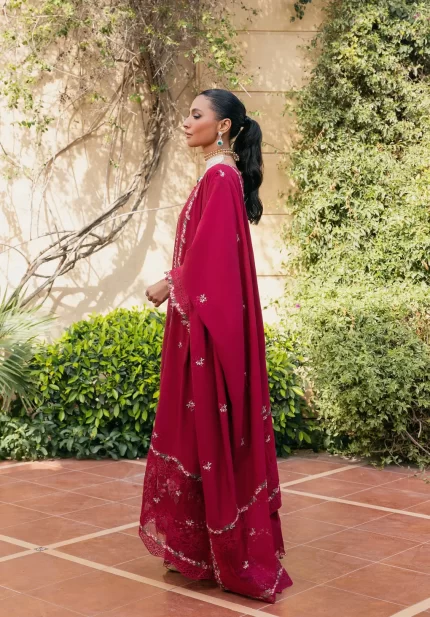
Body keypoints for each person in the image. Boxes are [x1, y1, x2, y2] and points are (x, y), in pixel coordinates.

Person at [140, 88, 293, 603]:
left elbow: (214, 257)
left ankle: (223, 550)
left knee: (207, 424)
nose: (186, 122)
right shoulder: (217, 175)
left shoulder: (221, 177)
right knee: (198, 427)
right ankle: (203, 549)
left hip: (206, 327)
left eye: (196, 115)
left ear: (223, 126)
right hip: (197, 324)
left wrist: (170, 282)